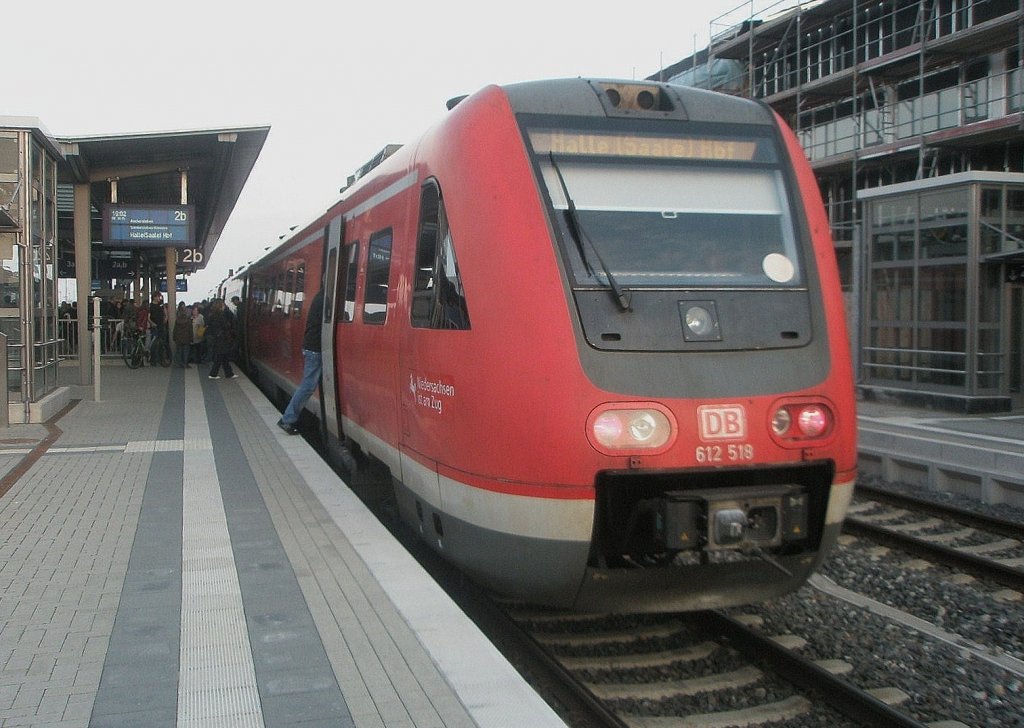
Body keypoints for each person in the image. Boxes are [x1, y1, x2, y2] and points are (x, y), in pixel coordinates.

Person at [277, 288, 324, 435]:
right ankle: (287, 419)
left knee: (308, 385)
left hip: (312, 347)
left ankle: (288, 418)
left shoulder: (319, 296)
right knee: (308, 386)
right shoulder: (324, 298)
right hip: (315, 349)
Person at [205, 298, 238, 380]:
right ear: (220, 306)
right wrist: (227, 326)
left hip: (219, 339)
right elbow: (224, 326)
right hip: (221, 339)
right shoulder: (219, 316)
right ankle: (213, 374)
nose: (224, 306)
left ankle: (228, 373)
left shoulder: (213, 315)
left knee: (224, 357)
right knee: (220, 357)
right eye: (223, 305)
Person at [172, 302, 193, 368]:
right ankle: (185, 363)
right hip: (186, 338)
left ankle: (180, 363)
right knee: (186, 352)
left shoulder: (177, 321)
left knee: (179, 351)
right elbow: (190, 330)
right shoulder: (188, 321)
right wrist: (191, 338)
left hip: (179, 339)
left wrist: (174, 337)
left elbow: (175, 330)